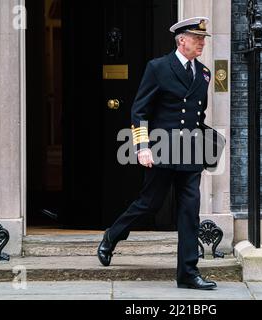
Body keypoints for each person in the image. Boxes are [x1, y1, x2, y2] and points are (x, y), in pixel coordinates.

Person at [97, 17, 216, 290]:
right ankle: (112, 236)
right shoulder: (158, 67)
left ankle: (188, 273)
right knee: (149, 204)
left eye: (203, 39)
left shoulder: (205, 73)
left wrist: (209, 145)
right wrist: (142, 147)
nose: (201, 43)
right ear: (181, 40)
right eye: (196, 38)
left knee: (189, 212)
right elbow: (139, 111)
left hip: (189, 153)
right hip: (160, 149)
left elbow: (199, 115)